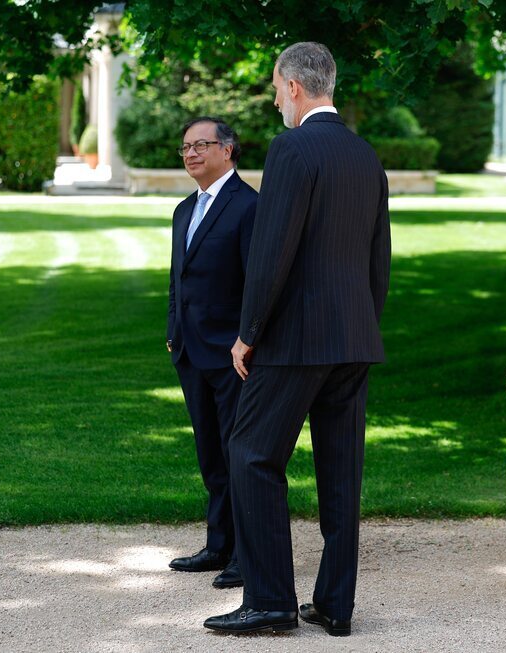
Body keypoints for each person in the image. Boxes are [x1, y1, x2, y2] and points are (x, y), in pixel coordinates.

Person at [203, 42, 391, 636]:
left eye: (274, 89)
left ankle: (270, 602)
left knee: (251, 455)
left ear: (292, 86)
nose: (275, 100)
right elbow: (378, 256)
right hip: (353, 338)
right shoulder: (366, 155)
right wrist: (364, 323)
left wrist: (247, 334)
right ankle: (335, 605)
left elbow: (271, 253)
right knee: (341, 473)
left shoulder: (290, 149)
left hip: (294, 342)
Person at [166, 117, 256, 591]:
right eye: (185, 148)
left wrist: (247, 339)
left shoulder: (248, 207)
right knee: (210, 457)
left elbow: (256, 285)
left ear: (228, 150)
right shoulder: (184, 209)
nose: (191, 154)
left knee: (237, 454)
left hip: (232, 356)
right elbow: (177, 278)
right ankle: (218, 544)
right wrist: (171, 331)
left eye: (201, 145)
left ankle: (247, 556)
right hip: (189, 351)